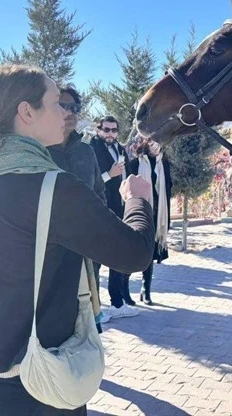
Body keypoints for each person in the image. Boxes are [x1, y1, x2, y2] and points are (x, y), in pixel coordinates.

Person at [0, 64, 155, 416]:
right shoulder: (53, 188)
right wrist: (137, 198)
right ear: (26, 112)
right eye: (56, 103)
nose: (66, 114)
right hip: (37, 388)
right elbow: (135, 253)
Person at [48, 86, 111, 329]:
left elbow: (99, 193)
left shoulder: (86, 151)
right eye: (64, 106)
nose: (71, 112)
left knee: (87, 320)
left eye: (75, 108)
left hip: (86, 250)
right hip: (49, 253)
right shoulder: (37, 150)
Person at [89, 116, 138, 317]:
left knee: (117, 255)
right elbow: (89, 181)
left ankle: (117, 303)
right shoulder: (91, 149)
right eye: (106, 130)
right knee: (98, 259)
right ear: (98, 130)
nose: (110, 134)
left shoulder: (119, 148)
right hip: (100, 210)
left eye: (114, 130)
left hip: (120, 209)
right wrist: (110, 174)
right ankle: (96, 309)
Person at [128, 138, 173, 306]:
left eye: (159, 143)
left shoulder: (164, 163)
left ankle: (146, 289)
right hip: (139, 211)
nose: (156, 146)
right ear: (146, 143)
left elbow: (168, 188)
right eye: (153, 142)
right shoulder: (135, 162)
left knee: (151, 250)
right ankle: (124, 289)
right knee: (133, 249)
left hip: (157, 213)